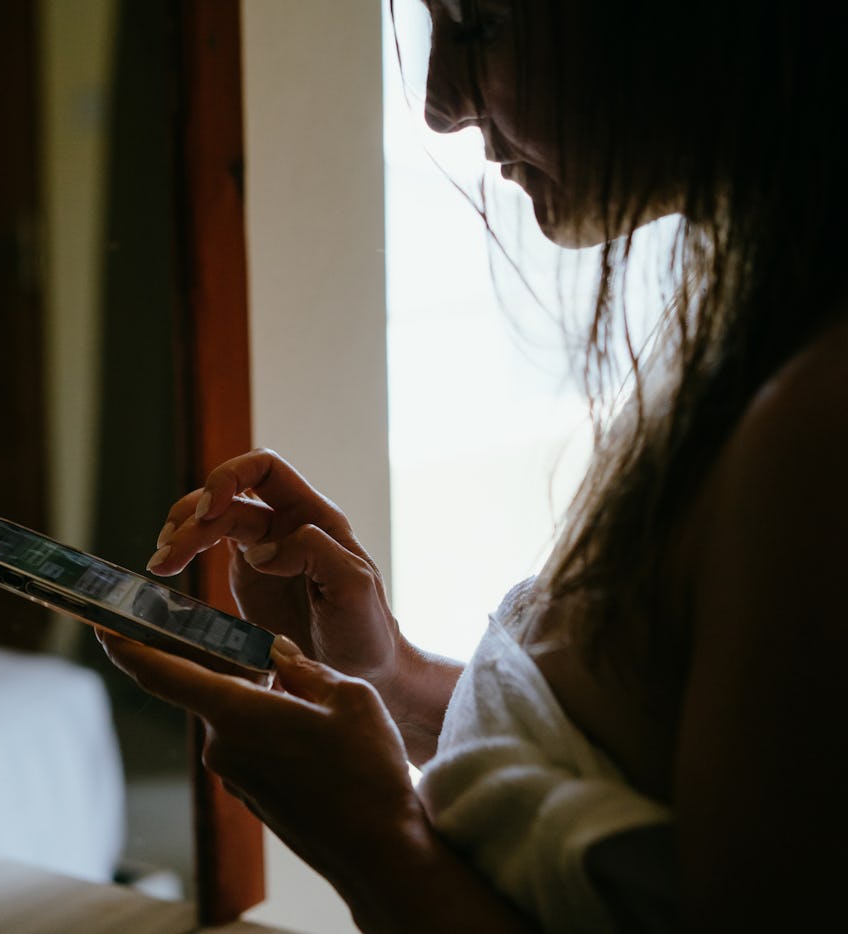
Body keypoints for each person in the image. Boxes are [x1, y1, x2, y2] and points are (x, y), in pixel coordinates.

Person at [102, 0, 848, 930]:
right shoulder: (753, 322)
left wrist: (370, 837)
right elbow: (639, 762)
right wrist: (390, 677)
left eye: (482, 25)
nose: (441, 104)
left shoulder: (818, 426)